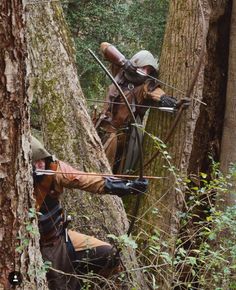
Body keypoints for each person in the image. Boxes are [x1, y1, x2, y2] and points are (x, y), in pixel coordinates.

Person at [31, 135, 148, 289]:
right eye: (34, 162)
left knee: (109, 256)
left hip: (59, 238)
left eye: (42, 159)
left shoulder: (53, 168)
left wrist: (125, 185)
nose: (40, 164)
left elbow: (85, 179)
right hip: (33, 247)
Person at [93, 42, 189, 173]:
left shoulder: (143, 86)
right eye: (144, 68)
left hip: (115, 137)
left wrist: (171, 102)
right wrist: (123, 62)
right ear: (135, 63)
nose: (146, 72)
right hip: (97, 127)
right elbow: (104, 46)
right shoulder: (120, 71)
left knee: (103, 172)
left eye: (149, 71)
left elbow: (154, 92)